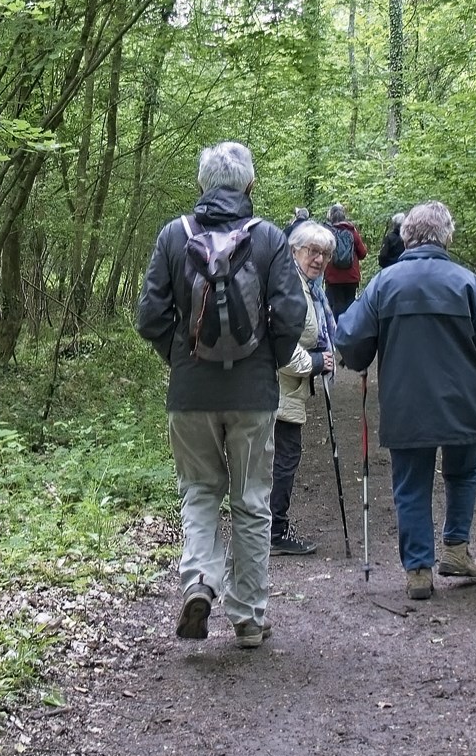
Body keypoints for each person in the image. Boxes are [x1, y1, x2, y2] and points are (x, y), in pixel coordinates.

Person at [136, 141, 307, 648]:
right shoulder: (271, 238)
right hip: (253, 393)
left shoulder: (174, 236)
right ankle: (249, 618)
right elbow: (291, 313)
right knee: (253, 503)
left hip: (189, 393)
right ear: (250, 185)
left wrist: (180, 357)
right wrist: (268, 361)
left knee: (200, 491)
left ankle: (198, 584)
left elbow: (150, 316)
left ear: (201, 186)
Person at [333, 200, 476, 603]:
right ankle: (455, 549)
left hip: (406, 404)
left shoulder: (385, 283)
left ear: (406, 237)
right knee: (463, 472)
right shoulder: (466, 281)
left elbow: (349, 339)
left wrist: (362, 356)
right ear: (446, 236)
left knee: (411, 484)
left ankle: (418, 569)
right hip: (463, 400)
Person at [270, 221, 343, 555]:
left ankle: (269, 530)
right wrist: (316, 363)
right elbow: (279, 345)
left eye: (325, 254)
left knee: (282, 459)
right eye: (312, 251)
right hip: (277, 389)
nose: (319, 259)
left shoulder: (311, 289)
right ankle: (272, 533)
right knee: (283, 459)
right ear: (293, 250)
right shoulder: (290, 288)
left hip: (289, 390)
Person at [323, 203, 365, 321]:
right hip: (351, 277)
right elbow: (363, 253)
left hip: (333, 277)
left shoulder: (327, 233)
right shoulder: (353, 232)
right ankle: (350, 331)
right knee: (350, 304)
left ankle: (337, 332)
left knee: (336, 306)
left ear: (331, 217)